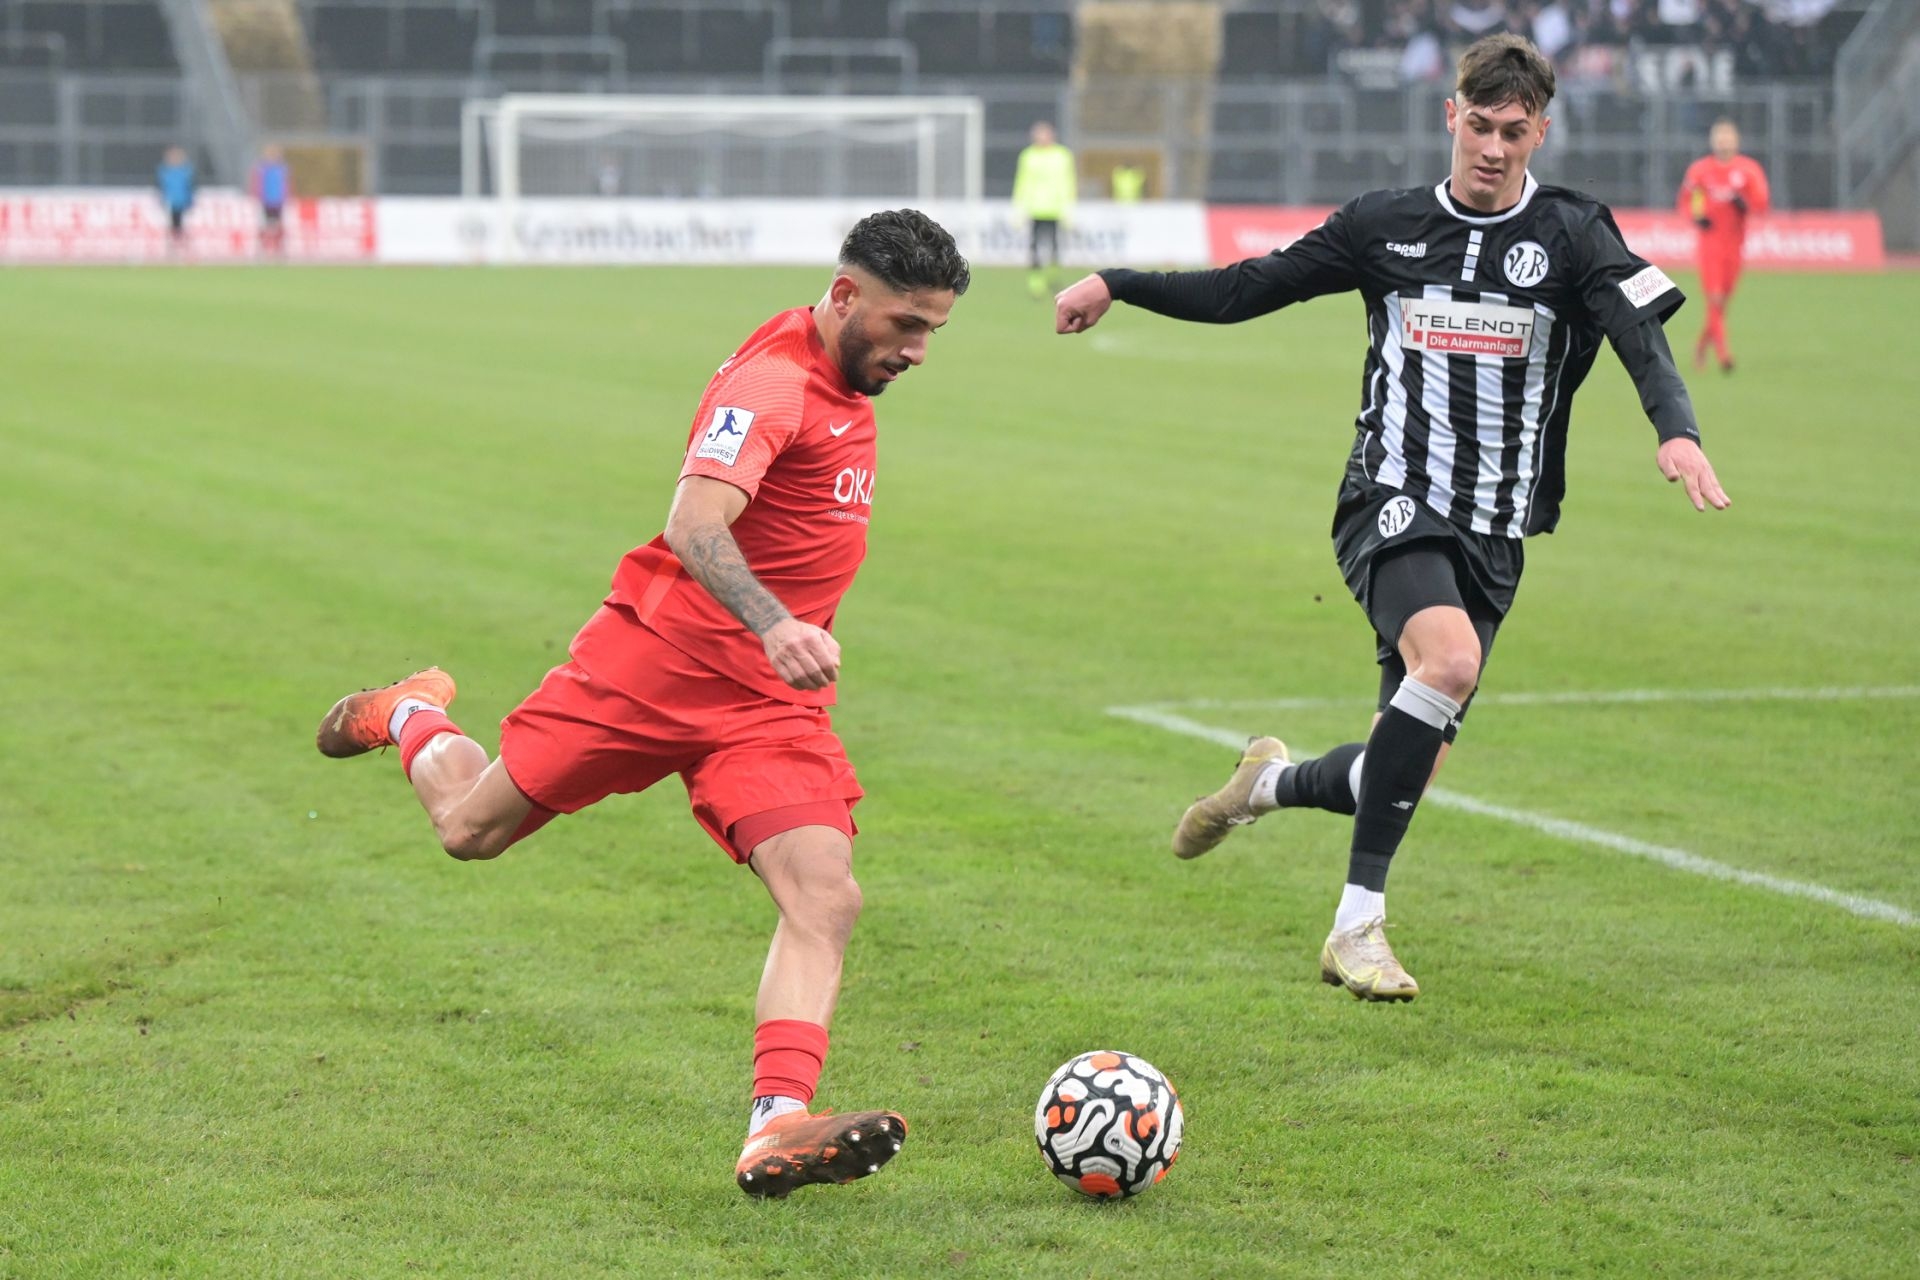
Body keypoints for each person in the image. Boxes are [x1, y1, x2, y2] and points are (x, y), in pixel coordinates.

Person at [1054, 34, 1729, 1002]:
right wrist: (1120, 283)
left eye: (1515, 130)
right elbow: (1252, 286)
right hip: (1391, 496)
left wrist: (1678, 430)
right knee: (1446, 663)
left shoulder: (1576, 233)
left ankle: (1266, 784)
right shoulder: (1387, 225)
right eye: (1480, 124)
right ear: (1448, 114)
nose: (1494, 146)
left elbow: (1637, 333)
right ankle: (1356, 926)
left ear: (1541, 130)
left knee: (1397, 769)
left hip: (1496, 531)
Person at [314, 209, 970, 1194]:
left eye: (933, 331)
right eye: (904, 325)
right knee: (469, 829)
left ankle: (776, 1122)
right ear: (843, 297)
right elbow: (695, 522)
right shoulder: (772, 382)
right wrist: (773, 621)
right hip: (653, 664)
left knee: (825, 892)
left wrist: (772, 647)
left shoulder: (844, 377)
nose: (918, 350)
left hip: (766, 705)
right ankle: (411, 710)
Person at [1677, 118, 1769, 372]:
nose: (1724, 142)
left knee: (1722, 303)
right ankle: (1723, 354)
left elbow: (1761, 204)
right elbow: (1686, 201)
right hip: (1709, 245)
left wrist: (1745, 204)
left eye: (1728, 137)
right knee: (1715, 299)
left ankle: (1700, 346)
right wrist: (1697, 217)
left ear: (1736, 140)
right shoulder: (1700, 170)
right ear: (1712, 140)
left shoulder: (1749, 170)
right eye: (1719, 137)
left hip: (1735, 246)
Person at [1012, 121, 1076, 298]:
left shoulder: (1062, 155)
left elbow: (1068, 182)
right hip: (1035, 209)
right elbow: (1022, 182)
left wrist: (1068, 209)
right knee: (1034, 247)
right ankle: (1036, 283)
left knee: (1055, 247)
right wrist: (1019, 209)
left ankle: (1053, 279)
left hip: (1055, 209)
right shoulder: (1028, 156)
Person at [252, 145, 291, 256]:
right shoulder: (262, 169)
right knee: (264, 226)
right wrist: (257, 196)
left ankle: (279, 248)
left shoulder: (282, 169)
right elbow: (257, 184)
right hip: (265, 200)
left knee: (278, 225)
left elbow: (286, 185)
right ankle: (263, 248)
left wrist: (287, 197)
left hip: (278, 201)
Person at [156, 146, 195, 252]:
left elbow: (190, 187)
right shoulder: (164, 171)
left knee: (181, 223)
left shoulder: (186, 171)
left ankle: (182, 244)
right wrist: (162, 198)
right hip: (170, 202)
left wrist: (190, 200)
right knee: (172, 223)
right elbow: (161, 187)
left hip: (182, 201)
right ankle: (173, 245)